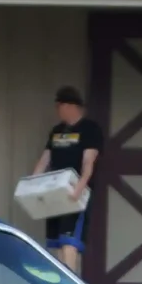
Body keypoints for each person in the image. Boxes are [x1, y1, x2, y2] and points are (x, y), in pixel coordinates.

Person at [30, 85, 102, 272]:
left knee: (69, 242)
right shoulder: (56, 131)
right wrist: (33, 183)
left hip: (75, 193)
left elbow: (89, 161)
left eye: (59, 106)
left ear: (69, 106)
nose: (57, 111)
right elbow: (45, 158)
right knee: (55, 242)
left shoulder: (89, 129)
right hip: (55, 193)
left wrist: (80, 186)